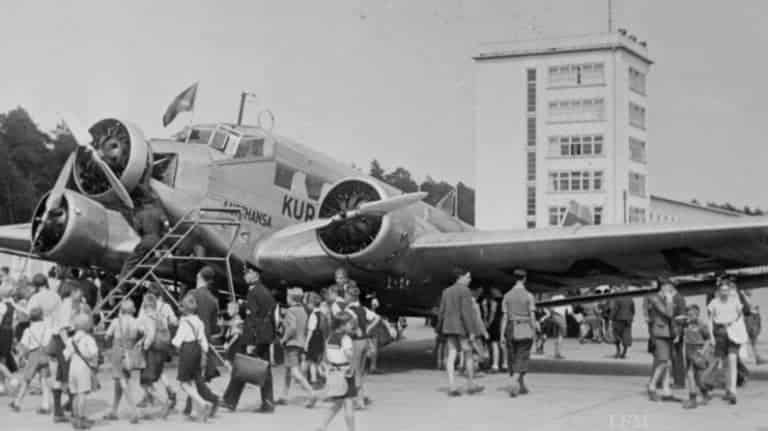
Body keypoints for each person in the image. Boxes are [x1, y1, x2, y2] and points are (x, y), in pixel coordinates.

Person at [221, 267, 277, 413]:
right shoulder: (265, 291)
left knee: (241, 366)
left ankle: (230, 401)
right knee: (264, 368)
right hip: (264, 335)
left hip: (254, 336)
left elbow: (253, 318)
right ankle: (268, 403)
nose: (244, 275)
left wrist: (251, 343)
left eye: (247, 273)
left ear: (255, 275)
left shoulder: (254, 292)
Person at [435, 268, 485, 396]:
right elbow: (466, 313)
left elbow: (441, 311)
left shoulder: (446, 291)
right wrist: (472, 331)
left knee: (451, 356)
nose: (470, 279)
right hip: (462, 328)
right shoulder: (465, 291)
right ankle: (471, 384)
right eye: (468, 277)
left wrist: (439, 328)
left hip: (449, 328)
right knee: (468, 354)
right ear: (460, 277)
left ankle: (452, 386)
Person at [185, 266, 221, 416]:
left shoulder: (191, 294)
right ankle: (189, 407)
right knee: (194, 373)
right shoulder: (213, 300)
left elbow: (184, 313)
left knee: (192, 375)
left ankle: (212, 399)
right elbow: (214, 327)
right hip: (205, 339)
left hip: (191, 338)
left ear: (199, 276)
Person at [173, 294, 214, 421]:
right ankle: (195, 413)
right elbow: (204, 341)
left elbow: (177, 341)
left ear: (184, 309)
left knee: (183, 383)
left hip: (187, 350)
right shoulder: (199, 321)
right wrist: (204, 352)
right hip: (198, 349)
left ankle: (203, 403)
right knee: (193, 381)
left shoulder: (184, 322)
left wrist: (173, 345)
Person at [136, 284, 178, 410]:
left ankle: (150, 397)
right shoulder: (166, 306)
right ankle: (168, 389)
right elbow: (174, 321)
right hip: (163, 343)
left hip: (151, 343)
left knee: (148, 370)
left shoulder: (146, 306)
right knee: (158, 368)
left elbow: (140, 322)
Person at [103, 300, 145, 424]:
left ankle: (134, 411)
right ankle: (114, 411)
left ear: (121, 309)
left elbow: (107, 335)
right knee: (120, 380)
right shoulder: (136, 321)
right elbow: (144, 333)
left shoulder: (116, 321)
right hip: (129, 353)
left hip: (117, 352)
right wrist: (138, 342)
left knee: (122, 381)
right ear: (133, 310)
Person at [500, 269, 539, 397]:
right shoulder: (529, 296)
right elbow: (532, 317)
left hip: (510, 327)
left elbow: (504, 317)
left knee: (514, 356)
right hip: (524, 326)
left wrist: (501, 334)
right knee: (522, 356)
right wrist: (534, 332)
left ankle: (521, 386)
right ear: (525, 279)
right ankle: (513, 382)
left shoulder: (507, 295)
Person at [707, 280, 747, 405]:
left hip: (733, 332)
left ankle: (733, 391)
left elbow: (741, 318)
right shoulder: (713, 303)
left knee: (732, 360)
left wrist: (741, 334)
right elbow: (709, 320)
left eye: (726, 290)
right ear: (718, 291)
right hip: (719, 332)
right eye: (722, 290)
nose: (724, 292)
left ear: (729, 291)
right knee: (724, 363)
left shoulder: (735, 302)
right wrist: (711, 336)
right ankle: (727, 390)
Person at [277, 287, 317, 407]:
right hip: (300, 343)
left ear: (290, 299)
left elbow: (292, 327)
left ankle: (311, 393)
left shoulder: (291, 310)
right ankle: (284, 396)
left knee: (294, 372)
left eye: (287, 297)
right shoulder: (303, 311)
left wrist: (283, 338)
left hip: (291, 344)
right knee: (288, 371)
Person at [316, 312, 357, 431]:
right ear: (342, 325)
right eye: (350, 324)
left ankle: (322, 426)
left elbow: (326, 356)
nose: (352, 326)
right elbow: (349, 354)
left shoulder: (330, 337)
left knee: (338, 403)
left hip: (334, 372)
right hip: (346, 372)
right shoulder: (346, 338)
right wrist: (353, 365)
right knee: (349, 403)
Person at [10, 307, 52, 414]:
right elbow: (48, 341)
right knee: (44, 381)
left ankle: (17, 402)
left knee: (26, 380)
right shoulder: (46, 328)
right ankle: (46, 404)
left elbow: (24, 346)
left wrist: (20, 357)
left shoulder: (28, 330)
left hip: (33, 356)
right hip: (43, 354)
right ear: (42, 316)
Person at [344, 286, 381, 408]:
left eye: (346, 295)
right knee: (360, 372)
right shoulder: (363, 309)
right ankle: (360, 399)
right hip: (365, 341)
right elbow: (377, 318)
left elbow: (352, 325)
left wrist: (351, 331)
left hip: (356, 342)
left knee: (354, 372)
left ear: (351, 296)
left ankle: (358, 401)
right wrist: (368, 329)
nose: (345, 297)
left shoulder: (349, 310)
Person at [121, 191, 170, 277]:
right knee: (152, 259)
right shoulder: (159, 212)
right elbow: (167, 224)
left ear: (144, 204)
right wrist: (163, 233)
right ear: (152, 203)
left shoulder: (140, 214)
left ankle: (122, 284)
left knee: (130, 262)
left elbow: (137, 229)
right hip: (159, 241)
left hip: (147, 240)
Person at [63, 314, 99, 430]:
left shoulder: (70, 339)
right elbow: (94, 353)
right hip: (83, 368)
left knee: (74, 395)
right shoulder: (88, 339)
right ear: (88, 326)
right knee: (82, 394)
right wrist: (94, 363)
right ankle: (81, 420)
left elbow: (65, 355)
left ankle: (75, 419)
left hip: (72, 368)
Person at [646, 279, 677, 402]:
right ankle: (652, 386)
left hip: (668, 333)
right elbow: (668, 313)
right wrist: (670, 299)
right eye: (668, 287)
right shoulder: (655, 298)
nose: (670, 290)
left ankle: (666, 390)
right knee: (664, 361)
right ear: (663, 287)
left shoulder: (663, 298)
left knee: (668, 362)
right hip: (660, 333)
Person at [680, 304, 711, 409]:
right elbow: (676, 319)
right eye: (688, 313)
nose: (690, 315)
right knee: (689, 374)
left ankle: (705, 393)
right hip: (688, 350)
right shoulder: (685, 324)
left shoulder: (701, 325)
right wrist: (683, 318)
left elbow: (708, 339)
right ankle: (692, 399)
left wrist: (703, 351)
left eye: (692, 314)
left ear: (697, 314)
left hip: (698, 351)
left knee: (699, 377)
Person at [305, 292, 329, 388]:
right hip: (321, 340)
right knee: (319, 362)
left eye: (308, 303)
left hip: (314, 340)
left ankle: (314, 381)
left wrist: (306, 343)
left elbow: (311, 330)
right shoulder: (323, 315)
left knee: (312, 363)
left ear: (311, 304)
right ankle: (326, 377)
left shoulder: (313, 315)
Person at [609, 287, 636, 359]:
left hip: (618, 320)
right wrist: (631, 317)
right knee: (626, 336)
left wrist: (611, 318)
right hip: (628, 320)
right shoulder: (630, 299)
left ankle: (618, 352)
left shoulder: (617, 299)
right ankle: (624, 353)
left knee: (616, 335)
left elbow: (615, 310)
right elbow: (633, 310)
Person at [547, 294, 570, 360]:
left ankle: (556, 353)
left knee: (556, 336)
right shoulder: (564, 297)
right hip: (561, 317)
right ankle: (558, 354)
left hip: (554, 316)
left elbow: (550, 308)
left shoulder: (553, 297)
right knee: (561, 336)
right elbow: (569, 311)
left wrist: (552, 315)